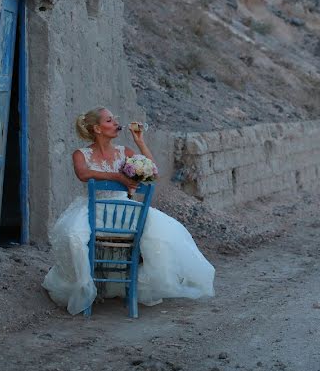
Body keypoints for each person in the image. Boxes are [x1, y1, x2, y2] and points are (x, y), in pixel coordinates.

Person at [43, 107, 215, 315]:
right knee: (73, 235)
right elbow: (83, 173)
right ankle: (83, 286)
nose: (116, 123)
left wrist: (139, 141)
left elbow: (152, 173)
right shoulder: (81, 154)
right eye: (109, 120)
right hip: (93, 210)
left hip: (124, 212)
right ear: (97, 128)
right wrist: (118, 177)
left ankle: (143, 281)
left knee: (162, 233)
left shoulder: (124, 152)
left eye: (115, 119)